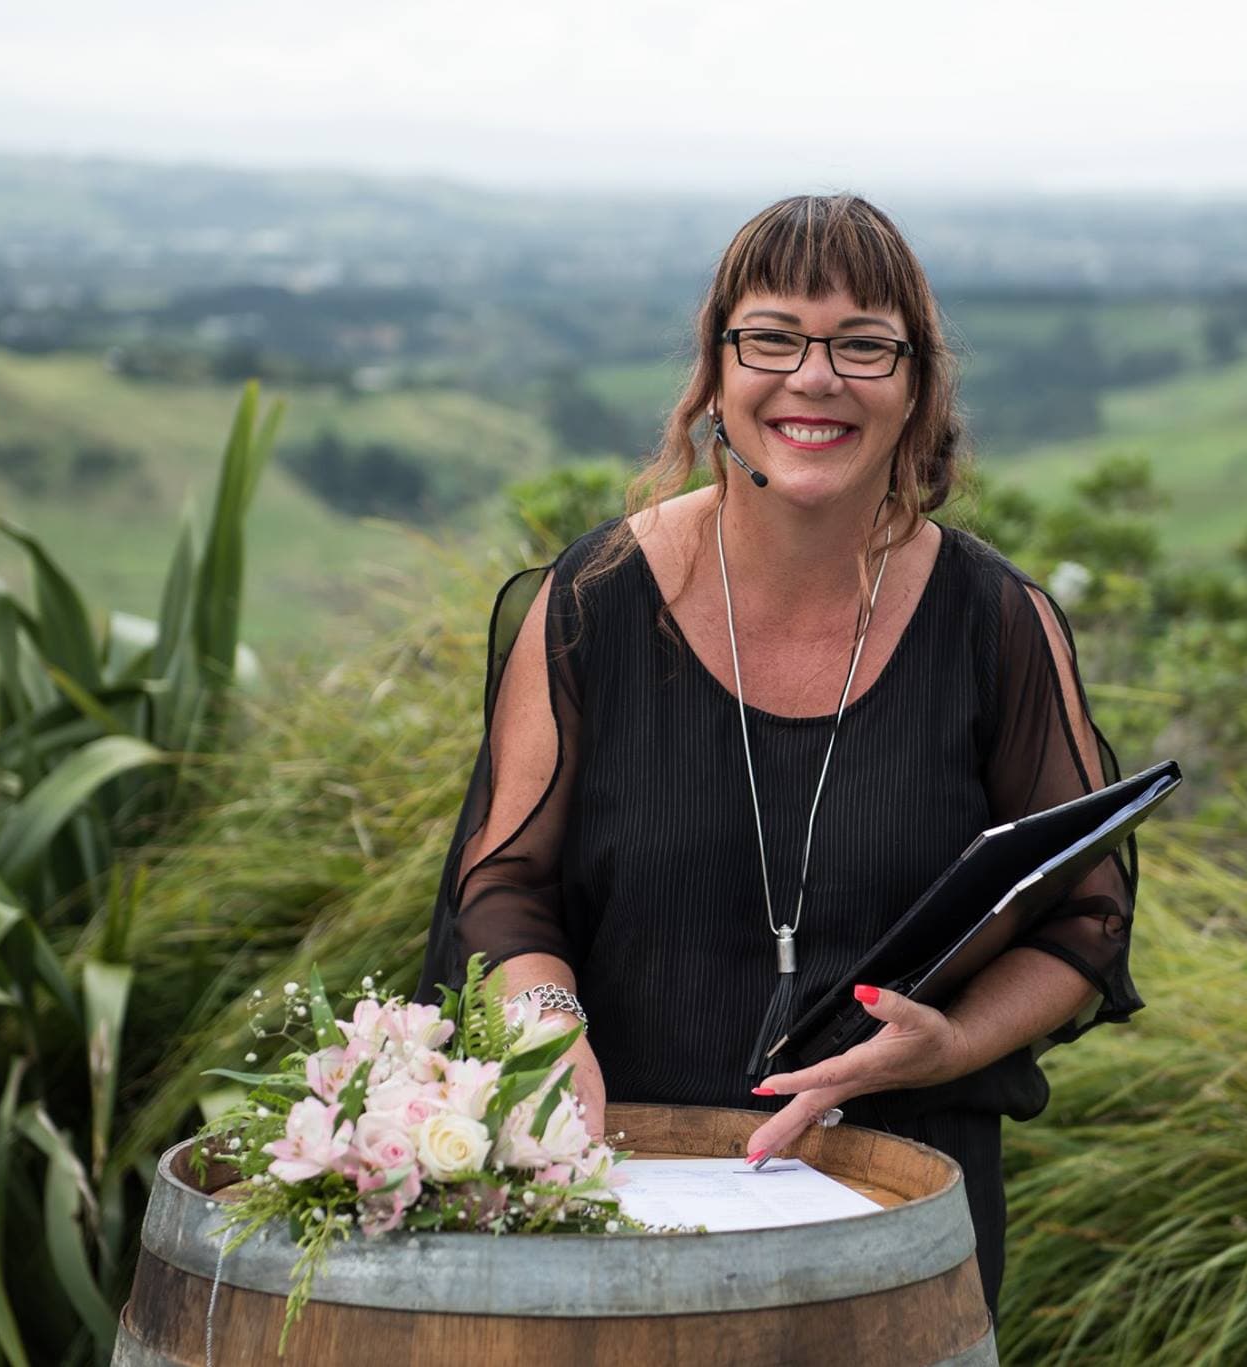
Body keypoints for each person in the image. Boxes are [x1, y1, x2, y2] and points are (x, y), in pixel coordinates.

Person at [418, 193, 1141, 1313]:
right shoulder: (591, 604)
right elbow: (505, 881)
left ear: (915, 386)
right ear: (714, 370)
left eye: (863, 344)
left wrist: (945, 1044)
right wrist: (545, 1038)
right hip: (614, 1193)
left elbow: (1083, 917)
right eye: (773, 338)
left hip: (895, 1221)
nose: (815, 377)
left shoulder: (992, 622)